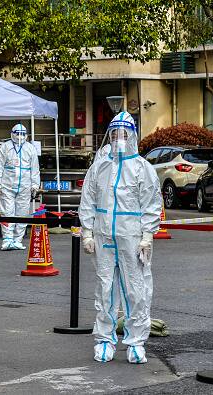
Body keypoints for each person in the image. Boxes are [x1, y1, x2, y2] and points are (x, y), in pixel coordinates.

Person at [78, 111, 162, 364]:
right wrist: (87, 232)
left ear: (133, 136)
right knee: (105, 288)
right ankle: (104, 339)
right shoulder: (100, 166)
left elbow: (151, 204)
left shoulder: (143, 168)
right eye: (114, 134)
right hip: (104, 236)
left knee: (136, 289)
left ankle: (136, 341)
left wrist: (148, 235)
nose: (118, 138)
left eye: (123, 134)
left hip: (132, 237)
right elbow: (88, 199)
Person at [0, 123, 40, 251]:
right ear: (12, 133)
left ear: (26, 135)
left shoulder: (30, 148)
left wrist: (35, 184)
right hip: (7, 186)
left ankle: (18, 239)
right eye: (17, 133)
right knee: (7, 212)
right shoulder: (5, 147)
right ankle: (7, 239)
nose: (20, 136)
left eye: (23, 134)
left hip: (25, 186)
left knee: (22, 213)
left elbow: (35, 169)